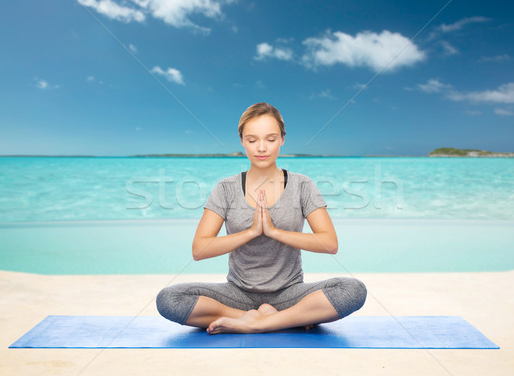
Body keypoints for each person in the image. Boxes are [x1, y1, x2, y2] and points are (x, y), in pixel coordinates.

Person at [156, 102, 366, 334]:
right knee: (169, 299)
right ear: (242, 142)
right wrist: (252, 232)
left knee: (352, 290)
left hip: (290, 293)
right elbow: (199, 249)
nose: (261, 148)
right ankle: (277, 319)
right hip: (237, 294)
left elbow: (329, 243)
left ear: (282, 139)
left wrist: (275, 232)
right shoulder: (225, 188)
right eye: (252, 140)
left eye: (271, 139)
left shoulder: (302, 185)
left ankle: (256, 323)